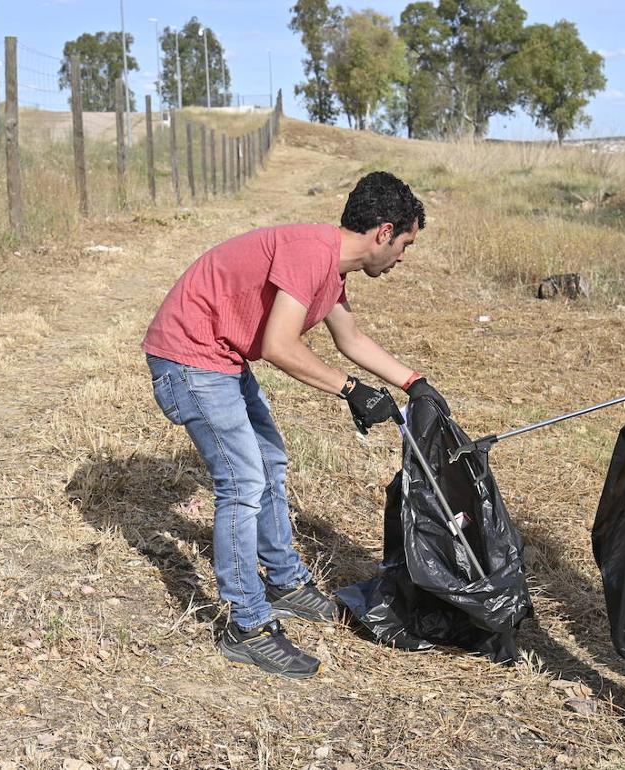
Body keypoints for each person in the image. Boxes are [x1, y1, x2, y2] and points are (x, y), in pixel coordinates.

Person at [142, 171, 451, 679]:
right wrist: (350, 390)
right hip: (189, 359)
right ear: (384, 231)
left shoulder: (330, 266)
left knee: (269, 462)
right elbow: (279, 346)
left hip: (220, 358)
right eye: (405, 244)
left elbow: (349, 339)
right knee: (242, 482)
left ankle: (285, 583)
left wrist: (414, 383)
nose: (402, 256)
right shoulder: (312, 253)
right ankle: (247, 626)